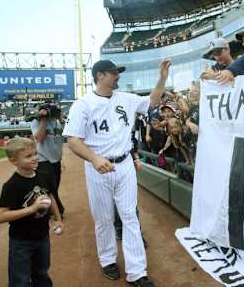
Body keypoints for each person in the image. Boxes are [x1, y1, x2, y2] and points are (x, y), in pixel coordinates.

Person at [63, 59, 169, 286]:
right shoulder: (83, 104)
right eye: (113, 72)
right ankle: (108, 260)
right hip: (97, 168)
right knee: (104, 219)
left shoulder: (126, 99)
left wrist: (162, 78)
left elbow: (152, 101)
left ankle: (137, 272)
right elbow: (72, 140)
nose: (117, 76)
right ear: (100, 75)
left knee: (129, 216)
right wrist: (93, 158)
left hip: (125, 164)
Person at [0, 137, 64, 287]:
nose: (35, 158)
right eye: (28, 156)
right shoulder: (12, 185)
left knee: (41, 273)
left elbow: (50, 196)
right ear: (14, 161)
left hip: (42, 236)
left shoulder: (42, 175)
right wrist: (31, 209)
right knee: (20, 279)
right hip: (21, 241)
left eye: (35, 154)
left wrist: (58, 219)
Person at [31, 104, 66, 216]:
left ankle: (48, 209)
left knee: (54, 187)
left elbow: (63, 138)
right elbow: (39, 138)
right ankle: (57, 210)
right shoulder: (36, 122)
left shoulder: (58, 122)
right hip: (43, 161)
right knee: (49, 189)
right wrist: (43, 120)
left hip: (56, 161)